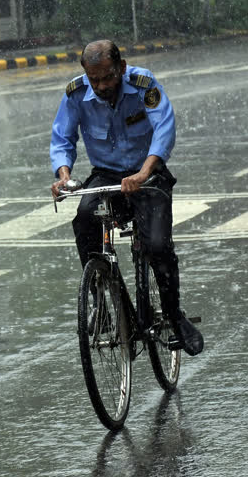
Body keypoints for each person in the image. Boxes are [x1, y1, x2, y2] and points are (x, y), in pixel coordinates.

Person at [49, 39, 203, 356]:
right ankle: (104, 304)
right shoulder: (76, 93)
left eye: (108, 77)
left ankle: (175, 316)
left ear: (121, 67)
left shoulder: (142, 84)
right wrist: (63, 175)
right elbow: (62, 136)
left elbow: (164, 129)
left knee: (158, 246)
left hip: (147, 173)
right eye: (96, 80)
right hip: (107, 174)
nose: (102, 85)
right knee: (84, 221)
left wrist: (144, 173)